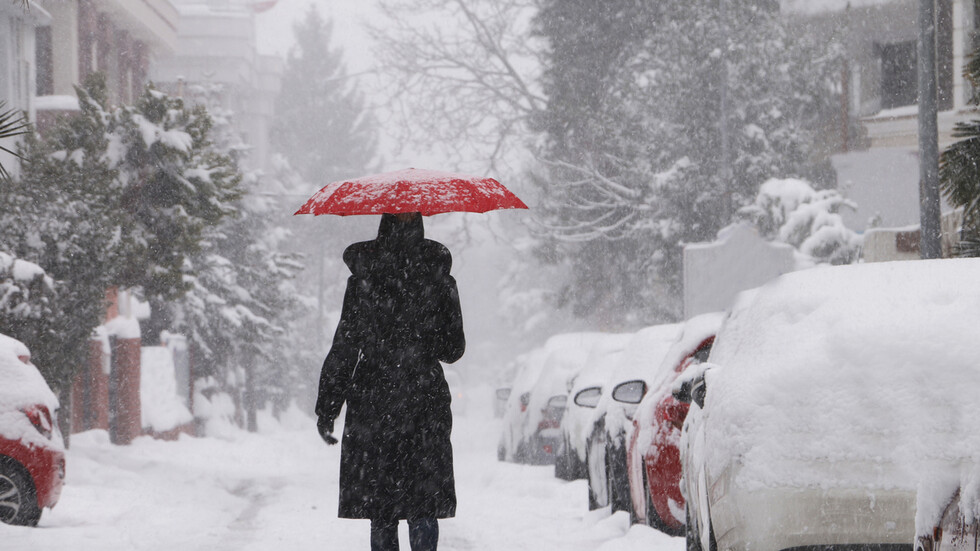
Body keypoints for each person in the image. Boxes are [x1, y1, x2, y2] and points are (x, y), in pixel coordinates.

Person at [315, 212, 465, 551]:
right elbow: (454, 349)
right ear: (420, 225)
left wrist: (328, 408)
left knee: (381, 507)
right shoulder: (438, 279)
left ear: (383, 225)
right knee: (423, 503)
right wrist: (425, 332)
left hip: (373, 402)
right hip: (423, 401)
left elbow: (345, 347)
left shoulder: (364, 278)